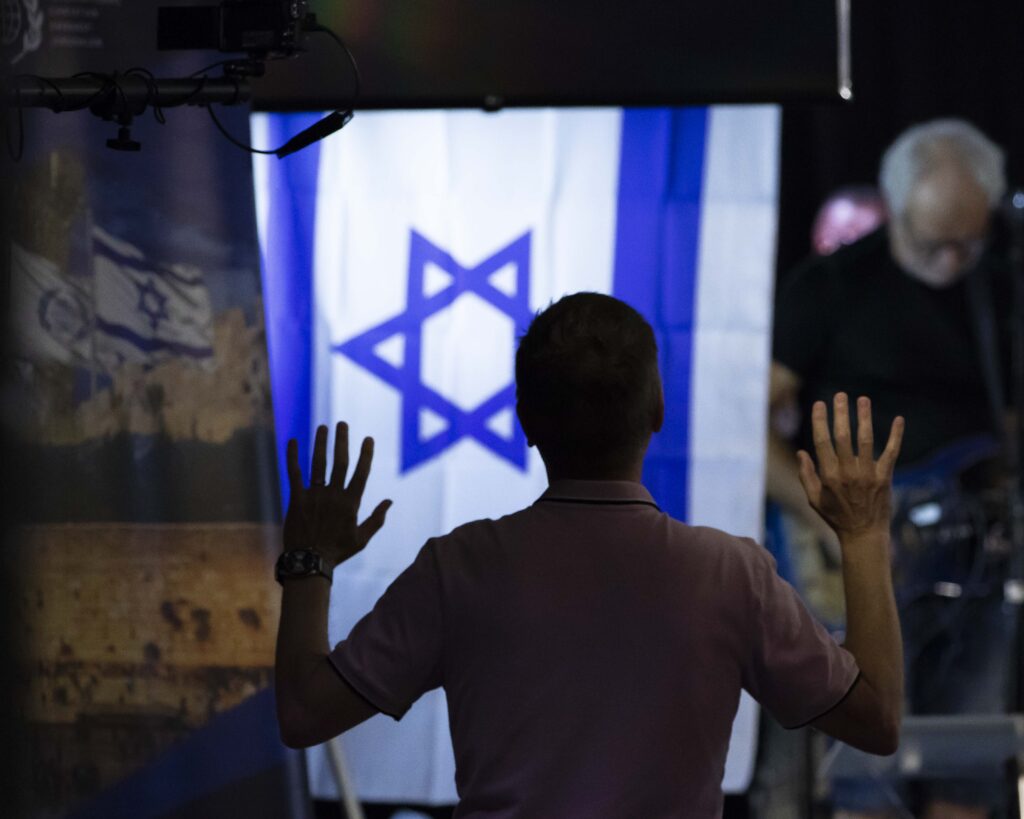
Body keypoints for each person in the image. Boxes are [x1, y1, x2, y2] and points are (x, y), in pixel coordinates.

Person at [275, 292, 904, 819]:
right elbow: (875, 720)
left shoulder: (458, 568)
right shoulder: (732, 575)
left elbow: (303, 714)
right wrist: (864, 537)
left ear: (525, 421)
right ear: (657, 411)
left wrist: (310, 561)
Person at [768, 119, 1014, 819]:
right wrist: (824, 520)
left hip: (977, 540)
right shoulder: (830, 286)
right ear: (894, 207)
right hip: (862, 532)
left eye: (968, 242)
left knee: (968, 744)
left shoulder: (999, 287)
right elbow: (749, 425)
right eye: (932, 242)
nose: (951, 260)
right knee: (865, 745)